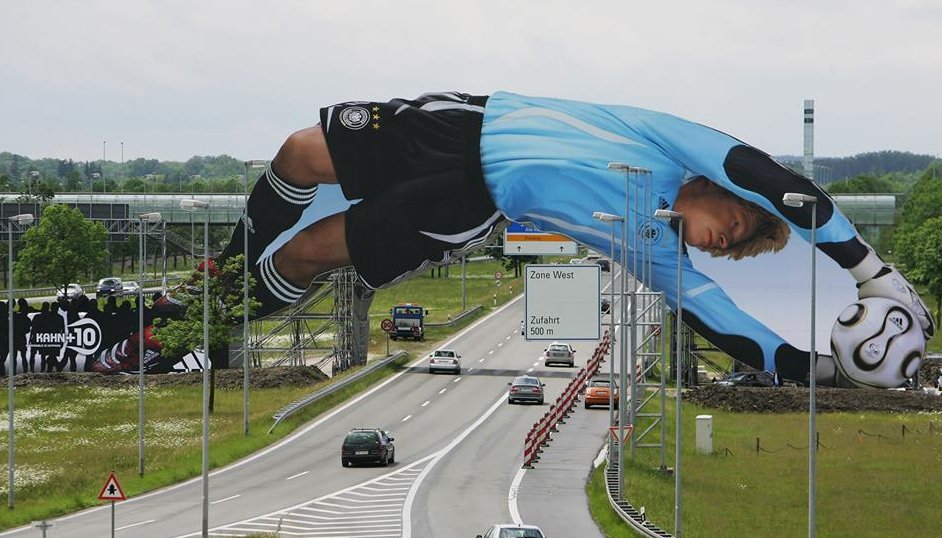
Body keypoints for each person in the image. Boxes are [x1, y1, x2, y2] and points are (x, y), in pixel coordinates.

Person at [108, 91, 937, 386]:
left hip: (472, 199)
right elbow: (775, 181)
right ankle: (214, 287)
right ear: (728, 198)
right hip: (467, 119)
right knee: (298, 151)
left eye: (724, 251)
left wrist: (818, 367)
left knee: (310, 251)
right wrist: (869, 270)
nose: (717, 246)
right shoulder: (683, 143)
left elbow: (727, 323)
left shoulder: (648, 247)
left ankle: (205, 329)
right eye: (733, 233)